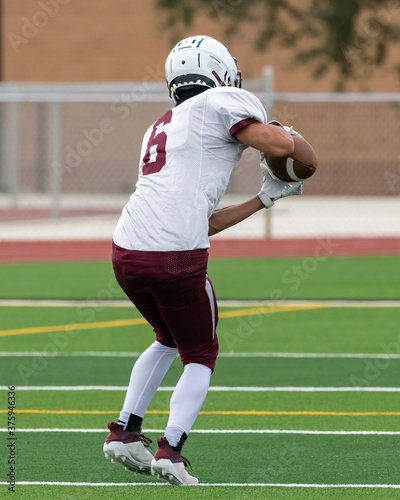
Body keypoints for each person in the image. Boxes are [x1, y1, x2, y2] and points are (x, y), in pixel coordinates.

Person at [103, 35, 302, 486]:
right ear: (219, 71)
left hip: (127, 252)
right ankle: (170, 452)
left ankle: (124, 432)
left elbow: (203, 222)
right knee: (201, 352)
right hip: (174, 256)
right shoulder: (223, 101)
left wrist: (263, 199)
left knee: (166, 338)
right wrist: (294, 144)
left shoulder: (162, 125)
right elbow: (281, 145)